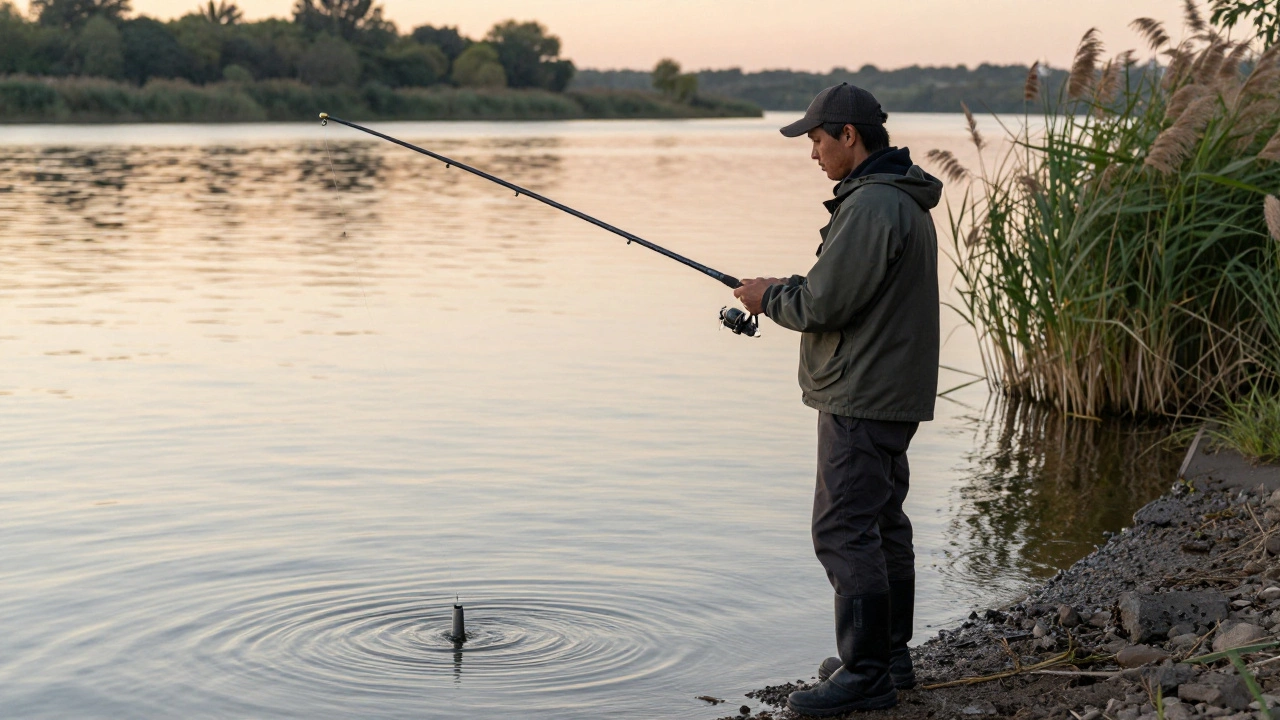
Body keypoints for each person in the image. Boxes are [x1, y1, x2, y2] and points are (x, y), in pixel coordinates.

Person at [732, 83, 942, 716]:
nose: (813, 153)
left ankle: (867, 674)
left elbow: (825, 304)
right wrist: (782, 286)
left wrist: (770, 299)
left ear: (849, 135)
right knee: (880, 522)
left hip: (862, 392)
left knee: (843, 526)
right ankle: (889, 656)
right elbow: (846, 289)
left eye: (818, 140)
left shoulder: (874, 204)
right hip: (890, 389)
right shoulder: (898, 197)